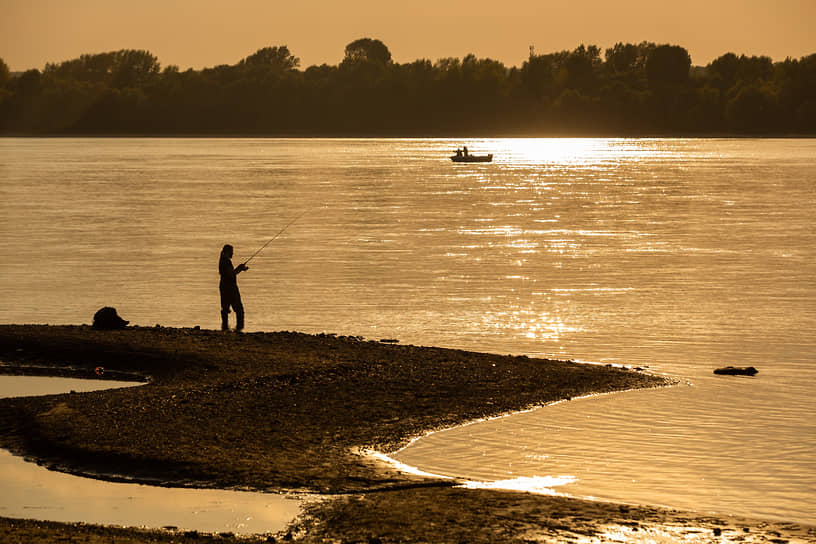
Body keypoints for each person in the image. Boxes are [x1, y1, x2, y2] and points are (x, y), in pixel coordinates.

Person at [219, 244, 248, 331]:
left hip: (223, 286)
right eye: (231, 251)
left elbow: (230, 273)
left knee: (225, 308)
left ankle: (224, 327)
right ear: (228, 252)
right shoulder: (226, 261)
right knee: (239, 310)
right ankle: (239, 328)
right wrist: (240, 268)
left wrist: (240, 269)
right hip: (230, 287)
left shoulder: (222, 260)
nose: (233, 253)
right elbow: (231, 274)